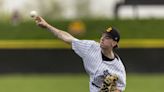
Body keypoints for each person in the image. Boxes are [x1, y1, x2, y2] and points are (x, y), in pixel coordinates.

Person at [34, 16, 126, 92]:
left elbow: (120, 88)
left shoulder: (118, 67)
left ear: (114, 43)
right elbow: (67, 38)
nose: (102, 38)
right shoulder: (91, 47)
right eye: (103, 35)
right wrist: (47, 26)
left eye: (107, 37)